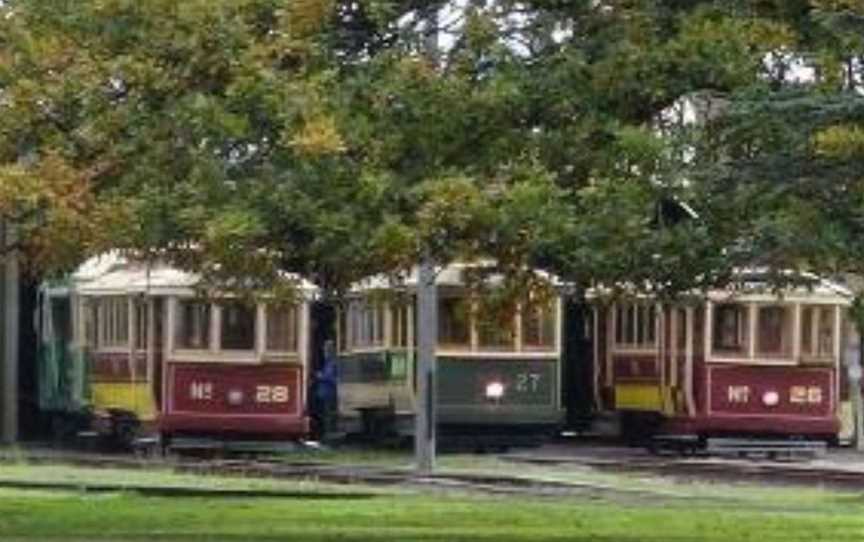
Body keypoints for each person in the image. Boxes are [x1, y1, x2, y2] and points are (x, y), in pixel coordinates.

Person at [313, 340, 339, 441]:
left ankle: (328, 436)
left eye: (326, 350)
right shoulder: (328, 362)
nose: (325, 352)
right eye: (324, 349)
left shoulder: (333, 362)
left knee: (328, 416)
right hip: (324, 393)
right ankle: (325, 435)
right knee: (325, 415)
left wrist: (320, 376)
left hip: (329, 393)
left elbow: (332, 378)